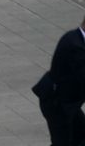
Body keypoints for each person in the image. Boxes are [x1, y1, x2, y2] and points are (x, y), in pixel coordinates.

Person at [33, 15, 85, 145]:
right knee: (63, 141)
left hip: (65, 100)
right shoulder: (76, 46)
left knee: (79, 134)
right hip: (56, 103)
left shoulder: (74, 36)